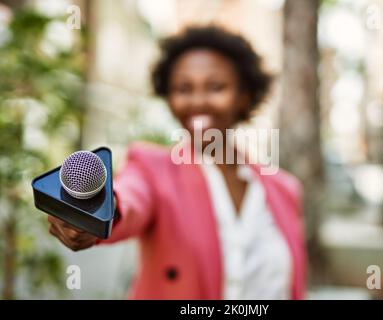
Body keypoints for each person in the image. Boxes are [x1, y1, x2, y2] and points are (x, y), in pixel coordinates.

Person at [48, 26, 307, 299]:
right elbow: (130, 200)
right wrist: (96, 216)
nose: (198, 100)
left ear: (244, 96)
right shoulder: (152, 167)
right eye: (183, 88)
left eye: (216, 87)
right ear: (169, 98)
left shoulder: (284, 189)